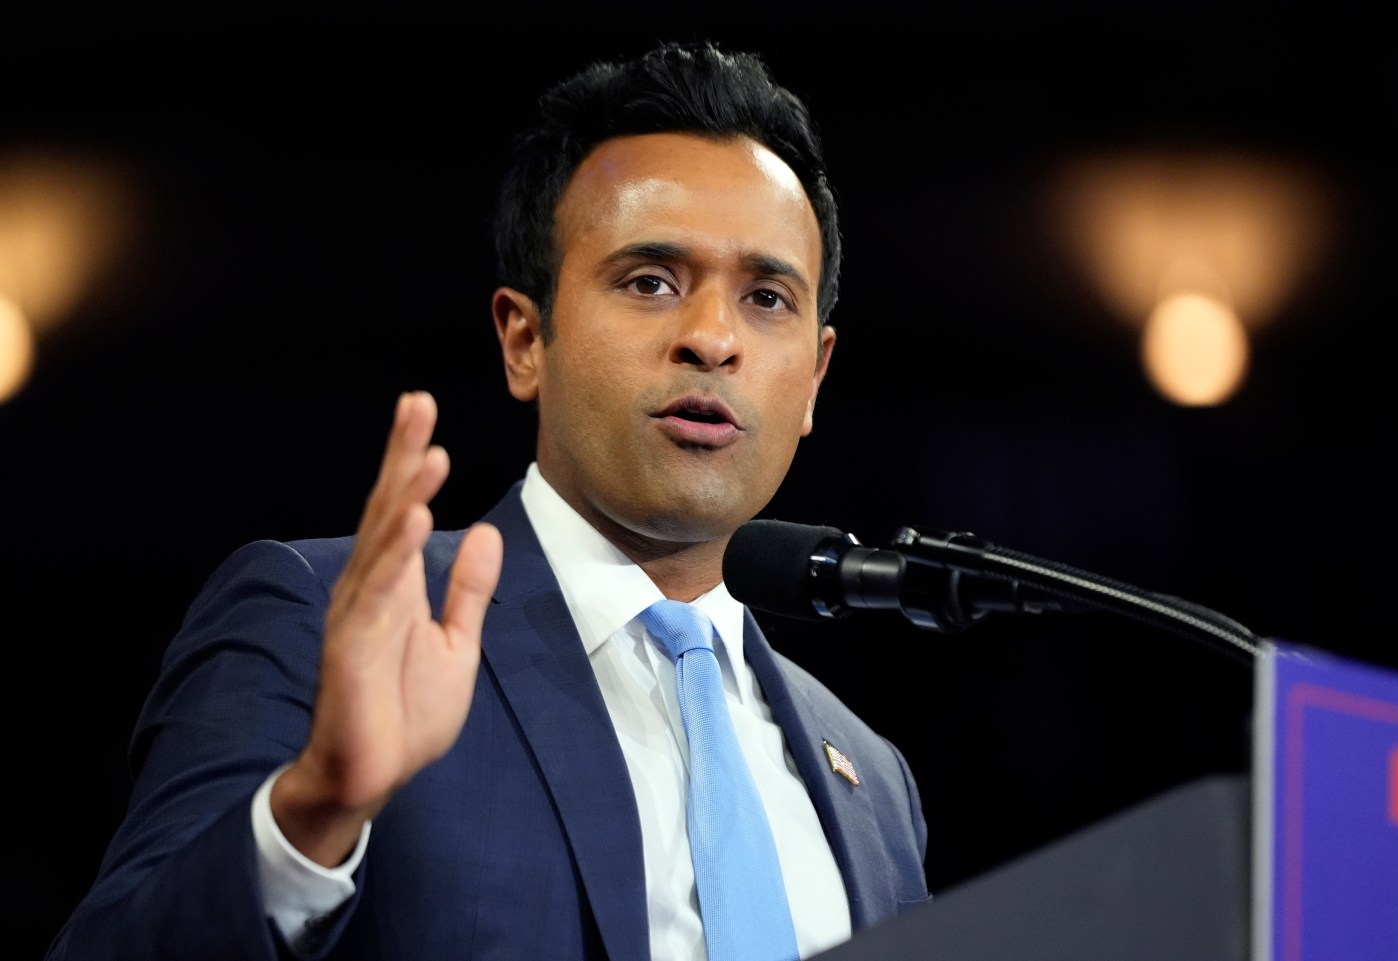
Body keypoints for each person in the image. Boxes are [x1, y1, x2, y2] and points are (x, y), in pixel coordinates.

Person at [46, 40, 930, 961]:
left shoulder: (869, 776)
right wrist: (311, 814)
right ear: (524, 338)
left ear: (817, 376)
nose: (712, 337)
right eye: (650, 281)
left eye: (766, 297)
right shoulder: (327, 620)